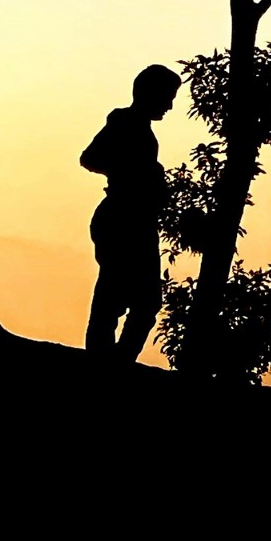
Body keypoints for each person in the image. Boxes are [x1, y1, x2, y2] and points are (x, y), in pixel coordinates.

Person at [82, 64, 181, 362]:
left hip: (135, 220)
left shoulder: (137, 128)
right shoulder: (124, 123)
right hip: (121, 218)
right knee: (118, 296)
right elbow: (90, 158)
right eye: (167, 96)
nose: (170, 105)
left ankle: (116, 360)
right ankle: (107, 361)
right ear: (149, 93)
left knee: (140, 298)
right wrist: (134, 175)